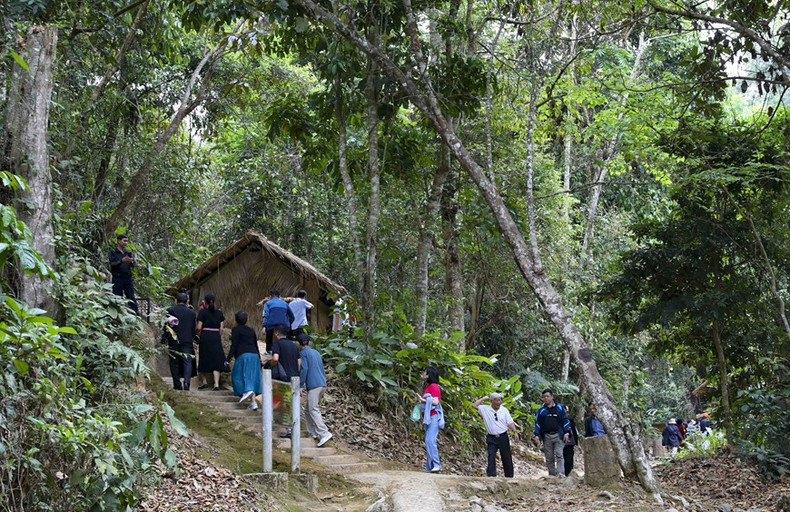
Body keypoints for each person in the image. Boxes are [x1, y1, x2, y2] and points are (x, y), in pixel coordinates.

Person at [473, 392, 519, 477]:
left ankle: (509, 476)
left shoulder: (504, 410)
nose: (499, 402)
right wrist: (484, 398)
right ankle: (491, 476)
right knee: (491, 456)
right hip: (491, 437)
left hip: (503, 437)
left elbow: (510, 422)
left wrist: (515, 431)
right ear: (492, 401)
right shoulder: (485, 409)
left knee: (506, 457)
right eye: (496, 400)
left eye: (500, 400)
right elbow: (474, 405)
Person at [298, 334, 332, 447]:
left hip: (314, 385)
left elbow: (304, 369)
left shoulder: (303, 353)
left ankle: (324, 433)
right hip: (322, 384)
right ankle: (312, 432)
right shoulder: (316, 352)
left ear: (299, 344)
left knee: (313, 409)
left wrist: (300, 384)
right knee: (308, 409)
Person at [225, 310, 262, 410]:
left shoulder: (236, 329)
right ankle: (253, 403)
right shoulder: (251, 330)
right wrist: (260, 359)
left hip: (243, 355)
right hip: (254, 356)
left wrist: (228, 359)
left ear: (236, 320)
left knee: (237, 375)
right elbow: (255, 345)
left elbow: (234, 344)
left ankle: (246, 391)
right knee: (251, 378)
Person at [533, 388, 571, 476]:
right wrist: (537, 435)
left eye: (547, 396)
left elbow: (565, 420)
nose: (546, 398)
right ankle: (552, 475)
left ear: (552, 397)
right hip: (547, 436)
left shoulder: (560, 408)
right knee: (549, 457)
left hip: (558, 435)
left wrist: (566, 432)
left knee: (559, 454)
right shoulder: (541, 410)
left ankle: (560, 474)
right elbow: (537, 423)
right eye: (544, 397)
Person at [164, 292, 197, 390]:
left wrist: (165, 338)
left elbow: (167, 326)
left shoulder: (170, 310)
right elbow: (192, 329)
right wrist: (193, 338)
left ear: (176, 301)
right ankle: (187, 382)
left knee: (174, 362)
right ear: (187, 301)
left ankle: (177, 384)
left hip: (174, 340)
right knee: (187, 361)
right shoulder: (191, 313)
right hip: (187, 340)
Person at [414, 366, 443, 473]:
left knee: (430, 440)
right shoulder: (429, 386)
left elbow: (435, 402)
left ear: (429, 375)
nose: (423, 375)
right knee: (428, 441)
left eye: (425, 373)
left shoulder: (434, 386)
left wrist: (422, 399)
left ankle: (436, 465)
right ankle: (430, 467)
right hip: (429, 417)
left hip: (434, 416)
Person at [196, 293, 226, 390]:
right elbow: (221, 329)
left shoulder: (202, 312)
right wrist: (217, 335)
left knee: (204, 357)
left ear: (205, 301)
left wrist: (197, 332)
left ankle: (204, 382)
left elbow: (199, 327)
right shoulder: (219, 313)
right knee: (216, 359)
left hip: (205, 336)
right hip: (216, 337)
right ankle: (216, 384)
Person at [108, 234, 138, 314]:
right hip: (117, 278)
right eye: (124, 241)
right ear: (119, 241)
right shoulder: (113, 252)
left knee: (131, 297)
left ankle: (135, 314)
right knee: (117, 297)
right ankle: (118, 315)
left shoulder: (127, 252)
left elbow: (133, 265)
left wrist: (131, 261)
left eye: (127, 241)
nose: (126, 243)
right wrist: (122, 260)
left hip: (128, 278)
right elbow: (112, 264)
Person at [563, 404, 580, 477]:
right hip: (561, 442)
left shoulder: (570, 420)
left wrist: (577, 443)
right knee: (562, 458)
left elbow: (574, 432)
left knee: (569, 459)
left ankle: (569, 475)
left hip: (570, 442)